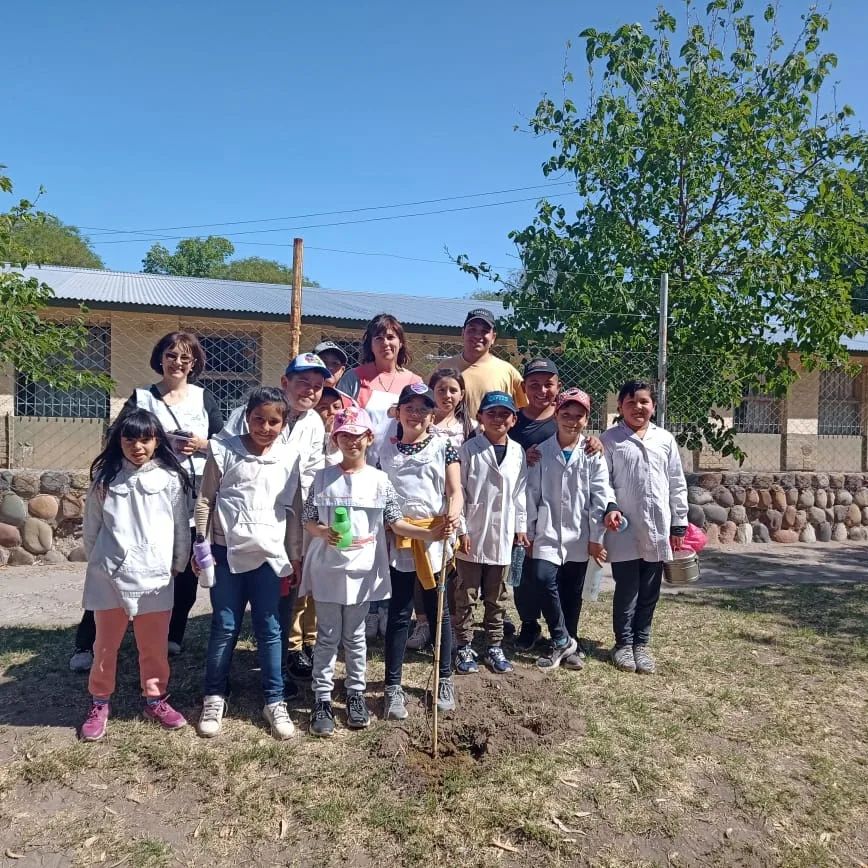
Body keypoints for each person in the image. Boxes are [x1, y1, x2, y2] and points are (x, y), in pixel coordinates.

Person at [69, 331, 223, 672]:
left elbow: (222, 444)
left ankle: (172, 635)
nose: (178, 362)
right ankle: (87, 642)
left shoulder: (204, 398)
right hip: (142, 492)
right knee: (116, 564)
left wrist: (201, 444)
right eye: (171, 355)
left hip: (188, 491)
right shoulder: (143, 397)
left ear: (195, 362)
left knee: (182, 565)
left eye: (186, 357)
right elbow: (119, 435)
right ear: (160, 358)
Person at [301, 406, 442, 737]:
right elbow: (308, 519)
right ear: (336, 439)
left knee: (356, 635)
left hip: (364, 568)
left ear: (369, 438)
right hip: (328, 568)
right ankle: (321, 697)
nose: (352, 442)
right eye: (344, 436)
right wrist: (322, 532)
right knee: (328, 635)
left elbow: (395, 521)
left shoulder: (380, 481)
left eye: (358, 436)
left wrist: (429, 533)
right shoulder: (323, 477)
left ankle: (355, 694)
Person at [216, 353, 328, 700]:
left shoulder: (313, 423)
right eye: (302, 382)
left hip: (289, 525)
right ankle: (220, 677)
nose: (309, 390)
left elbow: (311, 475)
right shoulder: (248, 412)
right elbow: (223, 457)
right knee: (230, 612)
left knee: (283, 601)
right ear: (285, 382)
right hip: (243, 526)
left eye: (317, 385)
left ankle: (278, 670)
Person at [78, 409, 192, 742]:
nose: (137, 446)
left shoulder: (171, 479)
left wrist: (177, 563)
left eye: (145, 439)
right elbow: (92, 529)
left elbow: (180, 528)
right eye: (130, 439)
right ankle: (99, 701)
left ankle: (155, 698)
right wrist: (99, 561)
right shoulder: (105, 480)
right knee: (105, 645)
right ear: (118, 440)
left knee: (153, 646)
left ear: (157, 441)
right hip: (109, 576)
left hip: (155, 577)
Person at [195, 388, 301, 740]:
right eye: (259, 419)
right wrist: (202, 547)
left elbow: (294, 511)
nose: (265, 427)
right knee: (225, 625)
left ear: (284, 423)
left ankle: (274, 700)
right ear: (246, 417)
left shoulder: (289, 457)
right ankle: (214, 695)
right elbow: (206, 500)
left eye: (274, 421)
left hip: (269, 557)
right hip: (227, 555)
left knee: (270, 628)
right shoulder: (223, 451)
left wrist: (295, 555)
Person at [378, 384, 462, 720]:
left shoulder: (444, 447)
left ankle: (444, 678)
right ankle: (393, 686)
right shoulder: (385, 452)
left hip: (436, 537)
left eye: (423, 408)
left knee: (438, 610)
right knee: (399, 612)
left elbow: (455, 490)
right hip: (400, 538)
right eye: (408, 407)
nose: (415, 414)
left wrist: (454, 512)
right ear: (398, 412)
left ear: (432, 415)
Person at [337, 314, 423, 638]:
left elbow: (423, 420)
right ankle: (366, 610)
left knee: (394, 543)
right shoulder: (355, 378)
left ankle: (389, 609)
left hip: (401, 473)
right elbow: (344, 418)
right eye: (378, 337)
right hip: (363, 471)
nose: (385, 343)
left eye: (391, 337)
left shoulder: (413, 380)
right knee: (365, 540)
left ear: (400, 342)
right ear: (369, 344)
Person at [511, 359, 604, 652]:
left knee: (567, 586)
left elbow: (600, 491)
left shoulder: (588, 446)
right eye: (534, 384)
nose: (541, 390)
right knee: (526, 579)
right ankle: (530, 626)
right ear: (523, 387)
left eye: (548, 383)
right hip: (528, 519)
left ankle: (565, 638)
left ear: (557, 387)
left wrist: (596, 443)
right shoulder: (513, 421)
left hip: (571, 528)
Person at [526, 389, 621, 670]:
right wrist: (529, 533)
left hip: (580, 534)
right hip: (546, 532)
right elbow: (531, 495)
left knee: (571, 591)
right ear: (555, 415)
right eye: (565, 414)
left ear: (586, 419)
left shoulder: (592, 453)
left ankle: (570, 644)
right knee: (543, 579)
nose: (571, 420)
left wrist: (596, 538)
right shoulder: (541, 453)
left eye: (578, 416)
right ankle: (560, 636)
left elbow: (600, 496)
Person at [600, 380, 688, 675]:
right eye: (630, 402)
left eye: (644, 402)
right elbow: (604, 483)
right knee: (627, 588)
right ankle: (623, 644)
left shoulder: (664, 439)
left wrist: (679, 523)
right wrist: (610, 507)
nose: (638, 407)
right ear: (620, 407)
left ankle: (641, 643)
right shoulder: (610, 440)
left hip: (658, 527)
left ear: (653, 406)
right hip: (624, 527)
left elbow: (676, 483)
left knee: (650, 588)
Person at [454, 391, 529, 675]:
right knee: (467, 592)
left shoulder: (518, 451)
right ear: (480, 417)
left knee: (497, 595)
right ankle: (464, 645)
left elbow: (520, 492)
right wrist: (461, 528)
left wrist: (520, 526)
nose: (498, 419)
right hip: (472, 531)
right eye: (492, 413)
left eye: (504, 414)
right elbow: (458, 492)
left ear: (513, 419)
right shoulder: (469, 450)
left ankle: (494, 644)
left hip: (503, 534)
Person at [404, 368, 474, 651]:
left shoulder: (468, 429)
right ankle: (423, 624)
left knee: (449, 571)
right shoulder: (418, 425)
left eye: (453, 390)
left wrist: (460, 520)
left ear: (462, 395)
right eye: (441, 389)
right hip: (423, 512)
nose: (447, 395)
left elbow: (461, 484)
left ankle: (450, 628)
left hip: (455, 508)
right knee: (420, 570)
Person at [284, 385, 345, 682]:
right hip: (302, 522)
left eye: (336, 408)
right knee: (298, 586)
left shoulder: (343, 446)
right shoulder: (305, 435)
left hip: (329, 529)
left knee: (318, 586)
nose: (330, 413)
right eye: (325, 407)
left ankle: (311, 639)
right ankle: (294, 645)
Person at [437, 308, 527, 418]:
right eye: (472, 330)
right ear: (463, 333)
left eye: (484, 331)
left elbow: (526, 409)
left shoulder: (508, 371)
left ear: (493, 337)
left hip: (490, 435)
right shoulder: (444, 367)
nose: (477, 336)